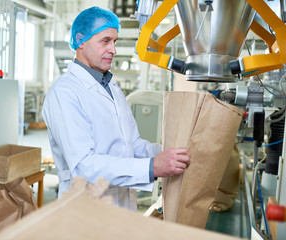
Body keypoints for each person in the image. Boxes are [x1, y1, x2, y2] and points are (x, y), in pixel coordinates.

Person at [42, 6, 190, 211]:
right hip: (86, 211)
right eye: (105, 41)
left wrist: (169, 154)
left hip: (121, 206)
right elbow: (83, 166)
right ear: (80, 40)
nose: (113, 49)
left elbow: (133, 145)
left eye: (115, 41)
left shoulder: (111, 87)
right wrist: (152, 167)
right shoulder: (65, 93)